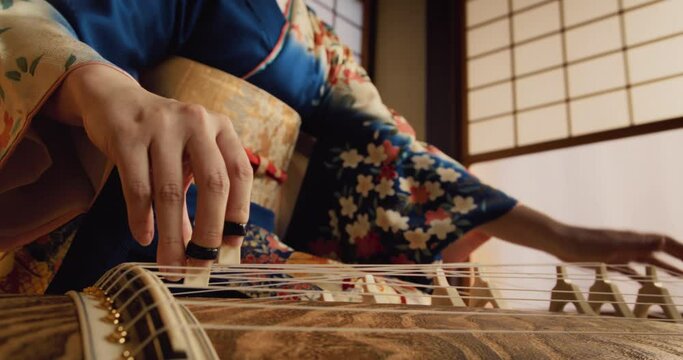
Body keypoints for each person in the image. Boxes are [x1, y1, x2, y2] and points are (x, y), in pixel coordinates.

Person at [0, 0, 680, 294]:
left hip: (218, 273)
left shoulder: (322, 56)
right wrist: (93, 83)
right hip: (84, 232)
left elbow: (387, 151)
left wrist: (557, 236)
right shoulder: (251, 19)